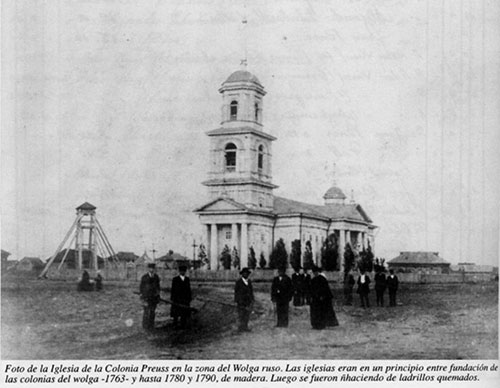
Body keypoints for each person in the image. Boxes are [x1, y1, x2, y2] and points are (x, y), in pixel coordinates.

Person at [139, 263, 161, 331]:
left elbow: (158, 287)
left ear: (154, 269)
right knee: (146, 312)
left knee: (152, 312)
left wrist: (157, 294)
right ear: (148, 269)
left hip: (154, 298)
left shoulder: (156, 277)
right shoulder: (144, 277)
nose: (151, 270)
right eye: (150, 268)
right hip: (146, 297)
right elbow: (141, 287)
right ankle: (145, 326)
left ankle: (151, 325)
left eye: (153, 268)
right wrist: (142, 295)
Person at [234, 267, 254, 332]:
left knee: (247, 314)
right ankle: (240, 327)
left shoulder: (249, 282)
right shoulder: (239, 282)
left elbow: (251, 291)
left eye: (247, 273)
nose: (246, 274)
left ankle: (245, 326)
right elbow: (236, 292)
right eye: (244, 273)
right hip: (241, 301)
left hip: (247, 300)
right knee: (241, 314)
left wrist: (252, 299)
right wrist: (237, 300)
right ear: (242, 274)